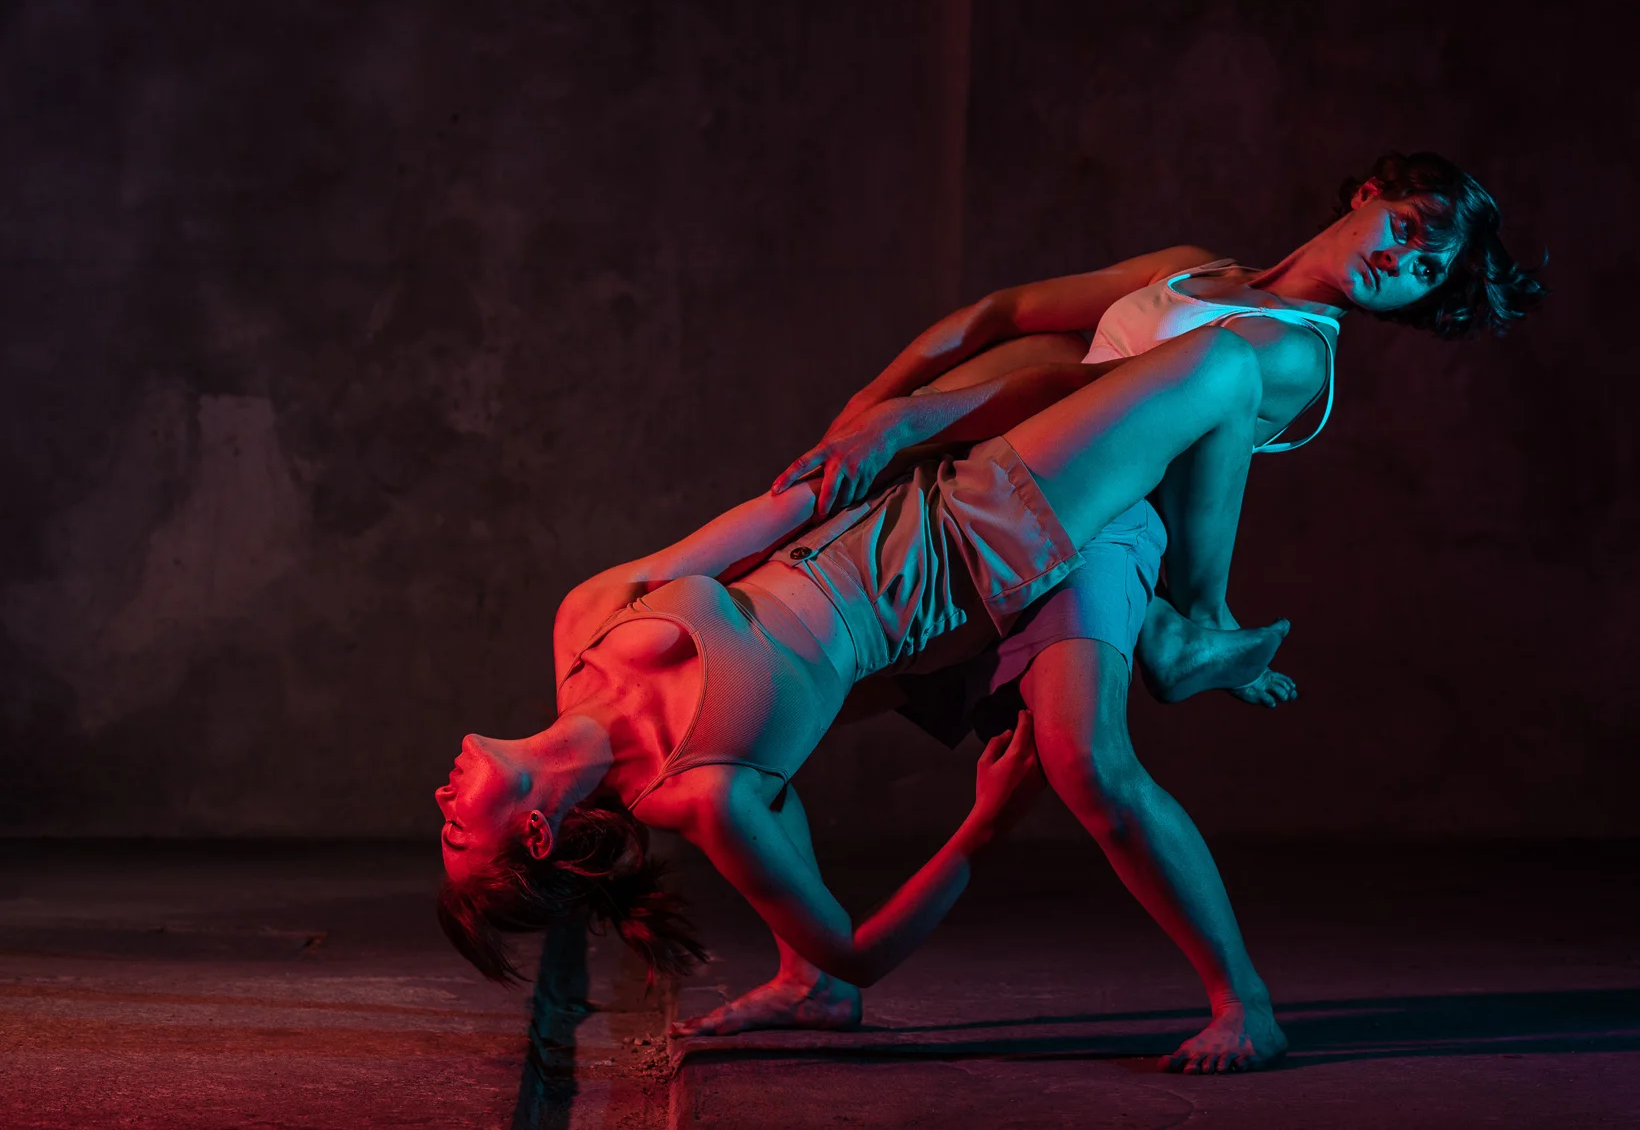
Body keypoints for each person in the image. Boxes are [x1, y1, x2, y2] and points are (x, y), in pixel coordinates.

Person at [435, 152, 1542, 1073]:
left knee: (1090, 747)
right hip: (1016, 509)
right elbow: (1019, 333)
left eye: (1425, 267)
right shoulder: (1193, 275)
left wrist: (877, 424)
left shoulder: (1296, 351)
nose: (1400, 261)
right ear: (1365, 192)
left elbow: (793, 507)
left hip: (1056, 506)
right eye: (1406, 229)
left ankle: (1193, 646)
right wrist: (895, 416)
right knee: (1076, 756)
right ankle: (830, 974)